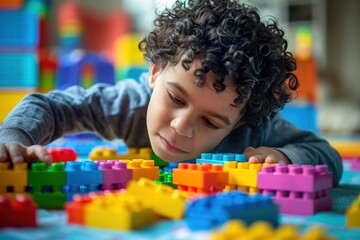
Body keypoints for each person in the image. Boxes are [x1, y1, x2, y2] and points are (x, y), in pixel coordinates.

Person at [0, 0, 342, 185]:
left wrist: (284, 158)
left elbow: (325, 153)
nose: (181, 127)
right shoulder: (129, 105)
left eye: (211, 122)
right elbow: (50, 106)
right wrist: (14, 137)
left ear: (239, 121)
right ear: (154, 73)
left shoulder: (255, 131)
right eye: (176, 99)